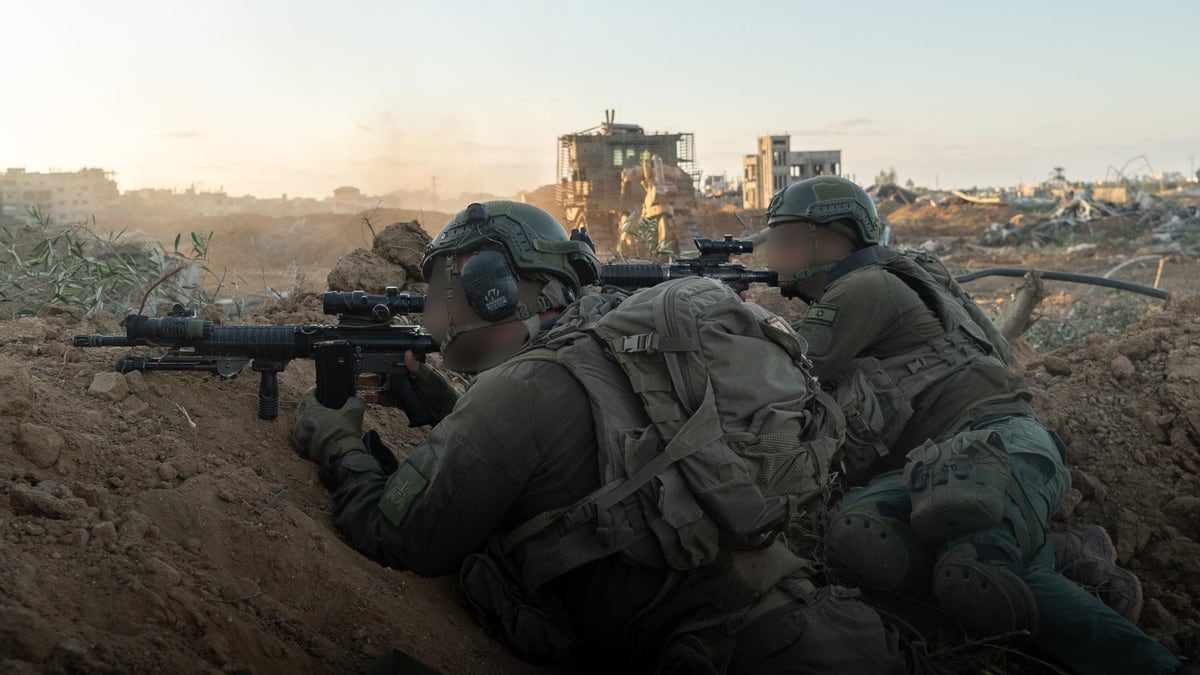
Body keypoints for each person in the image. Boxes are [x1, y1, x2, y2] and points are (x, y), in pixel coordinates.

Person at [290, 200, 936, 674]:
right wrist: (449, 410)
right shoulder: (619, 353)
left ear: (490, 286)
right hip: (832, 632)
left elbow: (396, 536)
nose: (436, 307)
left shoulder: (519, 393)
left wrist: (339, 439)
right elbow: (597, 459)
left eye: (447, 284)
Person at [761, 175, 1184, 675]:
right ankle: (1061, 555)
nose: (771, 255)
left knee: (977, 569)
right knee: (862, 539)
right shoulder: (874, 281)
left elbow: (779, 371)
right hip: (930, 465)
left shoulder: (864, 287)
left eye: (786, 240)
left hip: (1001, 441)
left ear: (834, 239)